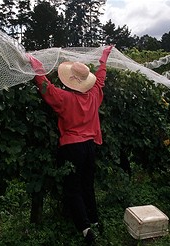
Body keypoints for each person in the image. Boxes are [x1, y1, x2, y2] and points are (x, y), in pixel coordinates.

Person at [28, 45, 113, 245]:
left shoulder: (64, 98)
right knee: (87, 185)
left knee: (73, 188)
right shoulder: (94, 96)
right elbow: (100, 79)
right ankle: (95, 220)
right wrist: (103, 59)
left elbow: (46, 88)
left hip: (72, 147)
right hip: (90, 146)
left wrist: (36, 66)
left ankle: (85, 229)